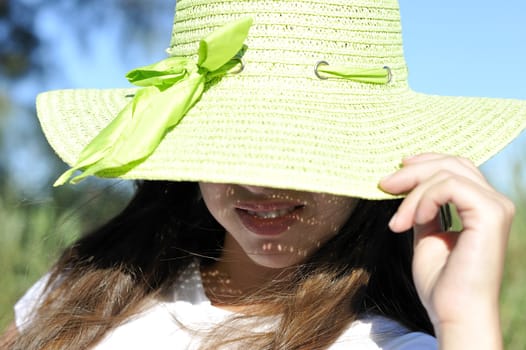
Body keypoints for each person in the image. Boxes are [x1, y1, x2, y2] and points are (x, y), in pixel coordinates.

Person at [2, 0, 525, 349]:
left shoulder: (386, 342)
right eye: (228, 143)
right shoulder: (90, 289)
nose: (259, 184)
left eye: (304, 150)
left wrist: (463, 320)